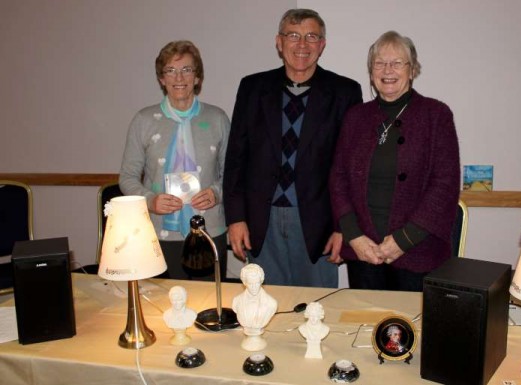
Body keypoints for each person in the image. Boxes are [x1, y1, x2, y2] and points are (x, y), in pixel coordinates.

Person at [223, 9, 363, 288]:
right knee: (265, 309)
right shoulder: (252, 88)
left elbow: (352, 168)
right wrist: (235, 218)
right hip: (261, 223)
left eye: (311, 37)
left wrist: (342, 227)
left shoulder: (345, 92)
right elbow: (236, 158)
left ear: (322, 45)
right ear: (279, 42)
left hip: (318, 224)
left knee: (317, 311)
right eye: (293, 36)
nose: (302, 45)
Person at [329, 31, 460, 291]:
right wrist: (354, 236)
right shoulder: (356, 117)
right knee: (365, 327)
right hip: (363, 253)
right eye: (379, 63)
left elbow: (444, 185)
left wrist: (402, 240)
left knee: (413, 329)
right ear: (371, 72)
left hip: (417, 252)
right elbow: (338, 178)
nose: (387, 70)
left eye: (397, 63)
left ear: (412, 70)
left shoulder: (436, 115)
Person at [119, 40, 230, 280]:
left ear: (197, 77)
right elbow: (127, 177)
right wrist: (150, 200)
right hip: (159, 233)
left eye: (187, 69)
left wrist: (216, 193)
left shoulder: (217, 118)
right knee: (164, 307)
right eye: (170, 70)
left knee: (210, 304)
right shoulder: (144, 120)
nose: (179, 77)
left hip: (210, 230)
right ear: (161, 78)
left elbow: (233, 173)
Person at [232, 264, 278, 351]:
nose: (254, 287)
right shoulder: (236, 301)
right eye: (250, 283)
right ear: (244, 282)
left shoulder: (271, 303)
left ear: (261, 281)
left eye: (257, 283)